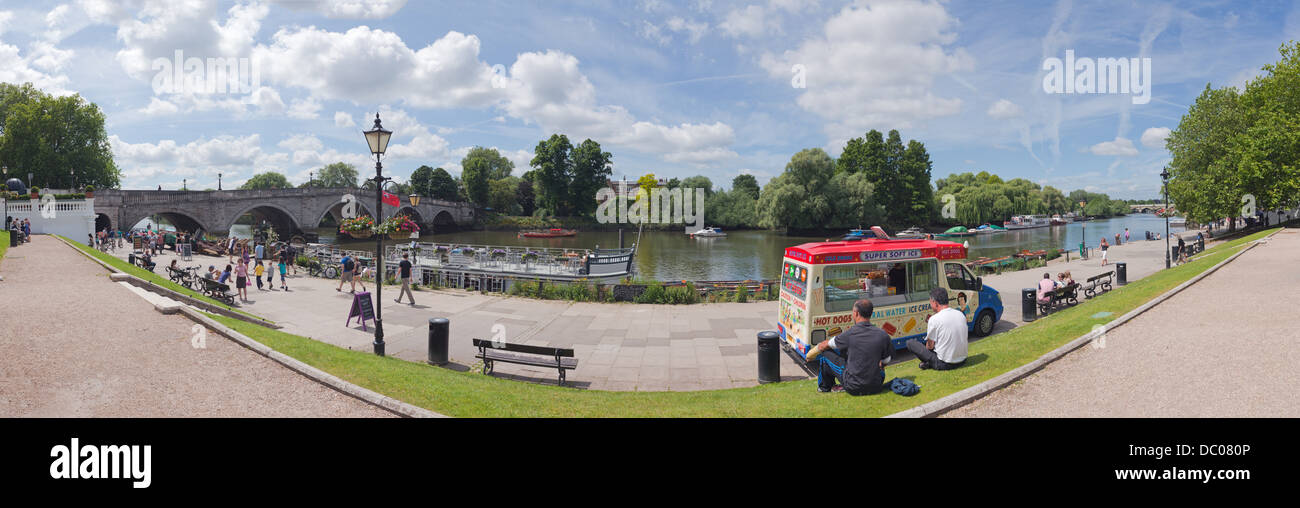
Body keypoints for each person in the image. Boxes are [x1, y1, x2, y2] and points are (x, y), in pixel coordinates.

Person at [804, 299, 891, 395]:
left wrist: (809, 355)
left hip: (853, 386)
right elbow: (886, 360)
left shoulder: (848, 335)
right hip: (876, 386)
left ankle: (824, 388)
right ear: (871, 313)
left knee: (825, 356)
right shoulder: (882, 334)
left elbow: (823, 345)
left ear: (856, 313)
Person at [907, 288, 968, 370]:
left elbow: (930, 346)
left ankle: (928, 363)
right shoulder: (960, 314)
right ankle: (928, 363)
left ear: (935, 303)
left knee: (910, 343)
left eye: (930, 303)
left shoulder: (934, 319)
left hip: (944, 364)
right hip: (962, 360)